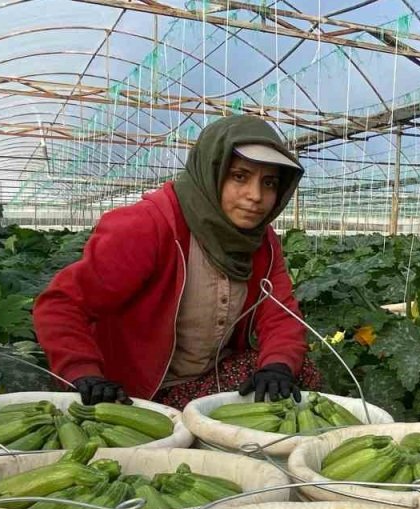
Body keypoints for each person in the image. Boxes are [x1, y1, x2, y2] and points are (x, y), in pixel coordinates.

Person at [33, 114, 320, 409]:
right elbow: (62, 305)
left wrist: (278, 365)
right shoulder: (148, 226)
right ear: (212, 171)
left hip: (209, 378)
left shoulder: (262, 242)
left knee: (298, 373)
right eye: (239, 176)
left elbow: (281, 315)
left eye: (269, 182)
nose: (256, 196)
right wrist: (83, 372)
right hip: (134, 392)